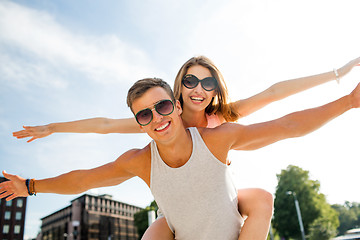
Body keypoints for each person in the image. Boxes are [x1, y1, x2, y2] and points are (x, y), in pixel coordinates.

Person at [12, 56, 360, 239]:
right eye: (190, 81)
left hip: (218, 194)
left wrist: (339, 80)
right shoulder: (152, 119)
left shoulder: (222, 121)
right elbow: (101, 132)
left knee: (261, 198)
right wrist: (52, 130)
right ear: (179, 90)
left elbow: (277, 105)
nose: (198, 89)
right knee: (159, 229)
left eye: (207, 82)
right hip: (177, 203)